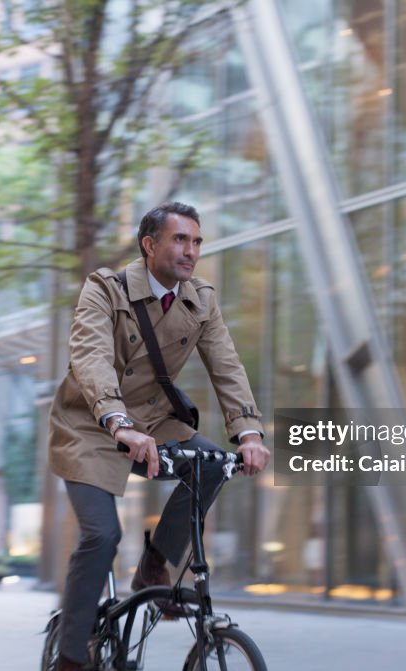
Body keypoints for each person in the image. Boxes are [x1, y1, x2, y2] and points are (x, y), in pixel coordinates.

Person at [48, 202, 271, 670]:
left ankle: (156, 564)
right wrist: (118, 422)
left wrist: (248, 432)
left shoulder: (200, 298)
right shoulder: (104, 291)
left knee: (212, 464)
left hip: (151, 422)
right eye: (179, 240)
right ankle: (70, 658)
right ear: (149, 245)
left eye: (196, 241)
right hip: (90, 425)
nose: (191, 251)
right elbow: (89, 359)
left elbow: (226, 366)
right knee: (102, 535)